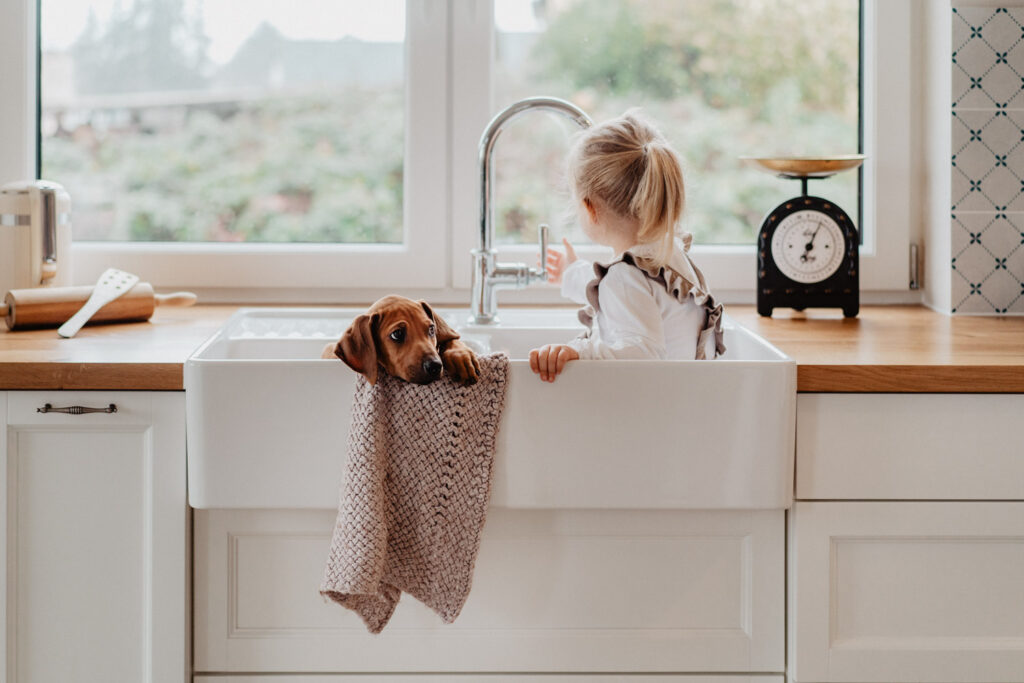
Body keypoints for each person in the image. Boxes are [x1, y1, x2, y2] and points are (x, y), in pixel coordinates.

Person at [529, 111, 725, 382]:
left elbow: (641, 354)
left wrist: (578, 351)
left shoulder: (623, 278)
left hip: (645, 413)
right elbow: (637, 296)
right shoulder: (669, 254)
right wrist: (572, 273)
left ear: (590, 208)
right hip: (681, 405)